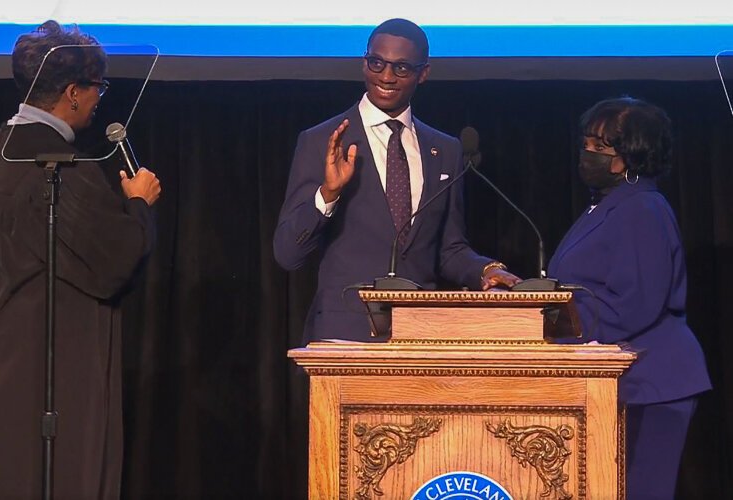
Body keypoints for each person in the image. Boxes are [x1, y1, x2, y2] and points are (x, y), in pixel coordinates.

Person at [0, 21, 161, 498]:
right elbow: (115, 263)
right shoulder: (56, 170)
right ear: (73, 93)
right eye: (96, 86)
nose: (100, 97)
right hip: (56, 372)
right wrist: (139, 204)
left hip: (1, 362)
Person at [273, 18, 520, 343]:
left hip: (421, 336)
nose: (386, 77)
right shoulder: (323, 141)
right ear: (365, 63)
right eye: (377, 63)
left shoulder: (445, 149)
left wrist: (487, 271)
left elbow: (450, 249)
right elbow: (287, 253)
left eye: (401, 68)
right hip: (344, 340)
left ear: (423, 73)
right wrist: (328, 194)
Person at [547, 97, 711, 499]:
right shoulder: (608, 205)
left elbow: (632, 305)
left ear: (629, 158)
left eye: (599, 148)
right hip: (621, 382)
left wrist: (552, 323)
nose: (587, 154)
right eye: (586, 143)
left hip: (650, 385)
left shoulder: (641, 209)